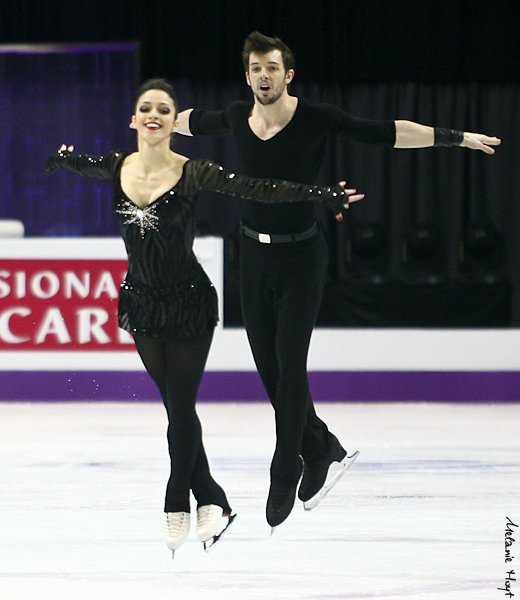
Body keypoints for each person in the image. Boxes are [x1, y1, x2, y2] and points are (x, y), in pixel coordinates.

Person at [175, 31, 502, 530]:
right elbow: (183, 122)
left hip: (303, 258)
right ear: (248, 76)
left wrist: (455, 137)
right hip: (254, 258)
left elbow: (387, 132)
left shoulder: (317, 118)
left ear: (289, 75)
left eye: (273, 68)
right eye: (256, 68)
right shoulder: (236, 117)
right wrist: (148, 124)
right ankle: (322, 446)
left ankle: (286, 466)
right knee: (270, 373)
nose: (264, 76)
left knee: (290, 364)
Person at [45, 77, 362, 554]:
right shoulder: (114, 168)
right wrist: (60, 158)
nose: (154, 114)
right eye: (145, 107)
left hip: (189, 302)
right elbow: (78, 162)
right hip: (142, 303)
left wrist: (318, 193)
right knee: (176, 409)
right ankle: (212, 496)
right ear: (134, 119)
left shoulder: (193, 171)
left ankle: (177, 500)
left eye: (164, 109)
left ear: (175, 122)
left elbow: (260, 187)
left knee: (180, 405)